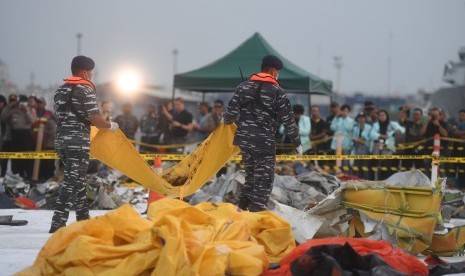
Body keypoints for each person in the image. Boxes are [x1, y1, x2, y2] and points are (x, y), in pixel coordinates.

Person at [223, 55, 302, 212]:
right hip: (263, 143)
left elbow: (228, 117)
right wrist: (297, 143)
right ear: (273, 70)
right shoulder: (277, 91)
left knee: (251, 178)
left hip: (244, 142)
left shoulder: (243, 87)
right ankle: (256, 217)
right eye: (278, 71)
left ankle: (240, 211)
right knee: (263, 182)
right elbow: (288, 121)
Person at [50, 55, 119, 233]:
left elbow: (60, 115)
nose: (92, 75)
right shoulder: (85, 90)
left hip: (61, 142)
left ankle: (83, 218)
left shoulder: (60, 90)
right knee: (71, 182)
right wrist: (110, 125)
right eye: (91, 72)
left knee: (78, 180)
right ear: (84, 72)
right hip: (78, 143)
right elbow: (96, 119)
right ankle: (58, 222)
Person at [1, 95, 35, 178]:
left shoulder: (29, 109)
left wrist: (26, 111)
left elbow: (32, 121)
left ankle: (28, 174)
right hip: (15, 134)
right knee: (16, 156)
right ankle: (16, 173)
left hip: (26, 134)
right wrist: (9, 107)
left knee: (27, 155)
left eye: (24, 102)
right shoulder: (14, 109)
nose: (22, 104)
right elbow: (3, 117)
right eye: (20, 102)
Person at [370, 109, 405, 180]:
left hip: (389, 146)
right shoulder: (375, 125)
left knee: (387, 164)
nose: (382, 117)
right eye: (380, 115)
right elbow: (372, 134)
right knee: (377, 165)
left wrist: (396, 131)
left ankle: (387, 180)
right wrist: (381, 136)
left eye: (383, 115)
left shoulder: (392, 124)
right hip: (378, 146)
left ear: (386, 116)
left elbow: (402, 129)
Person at [32, 97, 57, 180]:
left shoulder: (49, 114)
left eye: (41, 103)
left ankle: (48, 177)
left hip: (48, 143)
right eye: (38, 103)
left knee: (48, 162)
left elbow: (53, 129)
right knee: (39, 162)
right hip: (35, 142)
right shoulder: (33, 113)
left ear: (44, 104)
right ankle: (39, 177)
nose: (39, 104)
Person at [351, 113, 372, 179]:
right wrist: (355, 139)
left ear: (365, 119)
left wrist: (360, 139)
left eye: (363, 118)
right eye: (360, 118)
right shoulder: (355, 128)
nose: (361, 119)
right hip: (357, 149)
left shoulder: (369, 127)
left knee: (365, 165)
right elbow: (352, 137)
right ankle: (356, 179)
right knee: (356, 166)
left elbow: (367, 136)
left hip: (365, 148)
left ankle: (366, 180)